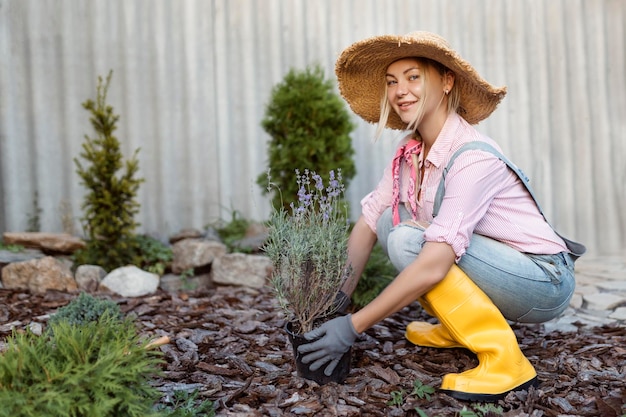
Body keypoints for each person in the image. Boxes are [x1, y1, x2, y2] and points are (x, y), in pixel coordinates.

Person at [297, 31, 585, 401]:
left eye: (413, 77)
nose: (400, 90)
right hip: (497, 265)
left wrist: (352, 326)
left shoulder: (471, 157)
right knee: (389, 220)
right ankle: (458, 325)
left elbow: (434, 264)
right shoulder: (410, 150)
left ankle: (505, 362)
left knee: (409, 240)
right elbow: (370, 220)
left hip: (543, 280)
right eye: (391, 81)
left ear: (446, 81)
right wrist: (336, 299)